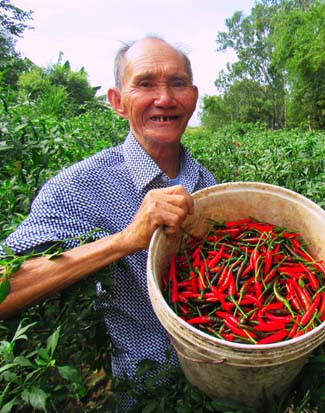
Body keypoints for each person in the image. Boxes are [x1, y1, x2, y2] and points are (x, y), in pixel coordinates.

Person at [0, 36, 217, 383]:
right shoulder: (78, 187)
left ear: (192, 96)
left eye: (178, 83)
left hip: (221, 383)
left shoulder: (209, 185)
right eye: (145, 84)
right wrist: (125, 240)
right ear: (117, 102)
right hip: (145, 391)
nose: (165, 98)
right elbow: (3, 289)